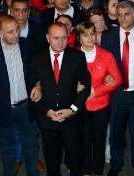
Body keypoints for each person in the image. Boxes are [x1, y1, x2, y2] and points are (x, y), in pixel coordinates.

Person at [0, 15, 41, 176]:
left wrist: (38, 85)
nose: (16, 34)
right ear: (0, 34)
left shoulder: (28, 46)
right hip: (2, 109)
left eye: (17, 29)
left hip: (26, 106)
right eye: (10, 31)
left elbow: (39, 71)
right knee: (7, 150)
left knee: (31, 146)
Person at [30, 22, 91, 176]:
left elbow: (86, 88)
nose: (60, 42)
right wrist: (47, 111)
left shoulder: (77, 57)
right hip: (47, 119)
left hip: (71, 120)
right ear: (47, 38)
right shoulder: (37, 59)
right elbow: (32, 88)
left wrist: (72, 110)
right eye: (56, 38)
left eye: (64, 38)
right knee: (51, 161)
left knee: (75, 159)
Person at [101, 0, 134, 176]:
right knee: (116, 133)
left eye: (126, 14)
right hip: (116, 95)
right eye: (119, 14)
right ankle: (116, 166)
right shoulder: (108, 36)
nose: (122, 18)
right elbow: (103, 63)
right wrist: (105, 76)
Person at [76, 21, 122, 176]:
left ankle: (97, 170)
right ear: (79, 37)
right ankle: (86, 169)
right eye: (85, 34)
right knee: (83, 139)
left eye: (92, 33)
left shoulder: (106, 55)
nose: (89, 37)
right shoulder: (73, 55)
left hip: (101, 105)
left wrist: (96, 92)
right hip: (80, 107)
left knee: (100, 140)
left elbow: (117, 80)